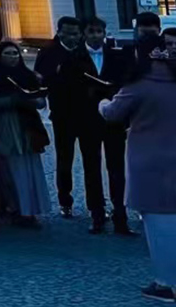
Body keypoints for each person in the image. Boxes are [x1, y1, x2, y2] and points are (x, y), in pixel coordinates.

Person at [102, 32, 176, 303]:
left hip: (147, 160)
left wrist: (101, 102)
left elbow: (112, 113)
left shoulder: (138, 84)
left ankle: (164, 283)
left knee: (157, 225)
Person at [65, 16, 136, 235]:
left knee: (117, 168)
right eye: (91, 31)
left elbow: (127, 83)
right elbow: (68, 89)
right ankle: (96, 213)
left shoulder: (118, 56)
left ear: (105, 33)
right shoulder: (74, 58)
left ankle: (120, 214)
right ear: (84, 34)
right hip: (87, 120)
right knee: (91, 168)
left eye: (99, 31)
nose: (95, 35)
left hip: (113, 119)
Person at [0, 40, 51, 227]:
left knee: (30, 170)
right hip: (7, 126)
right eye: (8, 54)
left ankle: (30, 209)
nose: (13, 57)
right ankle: (14, 207)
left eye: (15, 53)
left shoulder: (28, 75)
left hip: (28, 127)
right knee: (12, 169)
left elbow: (41, 102)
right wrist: (14, 100)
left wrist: (33, 99)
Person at [36, 15, 83, 217]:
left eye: (75, 34)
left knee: (92, 159)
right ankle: (65, 200)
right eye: (68, 33)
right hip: (62, 112)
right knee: (64, 158)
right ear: (59, 32)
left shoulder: (83, 50)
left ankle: (96, 203)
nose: (72, 38)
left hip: (86, 112)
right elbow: (40, 79)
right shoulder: (48, 52)